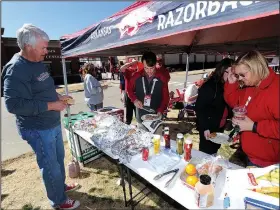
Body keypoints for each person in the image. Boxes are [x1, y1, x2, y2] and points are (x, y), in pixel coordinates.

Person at [2, 24, 80, 209]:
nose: (46, 51)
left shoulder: (36, 62)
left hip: (51, 123)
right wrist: (52, 105)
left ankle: (59, 187)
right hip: (37, 128)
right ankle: (58, 201)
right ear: (28, 46)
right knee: (50, 165)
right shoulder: (15, 69)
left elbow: (44, 88)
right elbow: (13, 105)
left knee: (58, 159)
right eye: (43, 48)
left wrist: (58, 97)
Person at [224, 50, 279, 167]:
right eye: (237, 75)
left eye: (243, 75)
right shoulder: (251, 85)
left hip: (268, 161)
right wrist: (231, 83)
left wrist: (254, 126)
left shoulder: (276, 89)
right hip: (249, 154)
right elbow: (235, 103)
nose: (240, 78)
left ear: (256, 68)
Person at [195, 58, 234, 155]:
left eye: (233, 72)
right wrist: (205, 127)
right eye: (228, 72)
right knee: (205, 153)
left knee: (215, 149)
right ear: (221, 70)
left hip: (219, 125)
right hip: (208, 126)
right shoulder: (210, 86)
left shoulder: (227, 85)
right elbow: (200, 108)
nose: (230, 76)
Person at [127, 51, 169, 130]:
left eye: (152, 68)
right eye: (146, 68)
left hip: (156, 116)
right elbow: (129, 89)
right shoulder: (136, 76)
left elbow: (165, 97)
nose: (149, 71)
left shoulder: (162, 77)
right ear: (142, 64)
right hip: (141, 116)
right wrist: (135, 100)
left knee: (156, 140)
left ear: (155, 64)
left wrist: (160, 111)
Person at [119, 60, 138, 125]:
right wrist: (131, 63)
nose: (134, 65)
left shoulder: (140, 70)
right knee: (128, 115)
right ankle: (127, 127)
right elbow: (121, 68)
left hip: (137, 95)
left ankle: (138, 127)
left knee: (138, 114)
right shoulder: (128, 71)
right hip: (129, 94)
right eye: (132, 63)